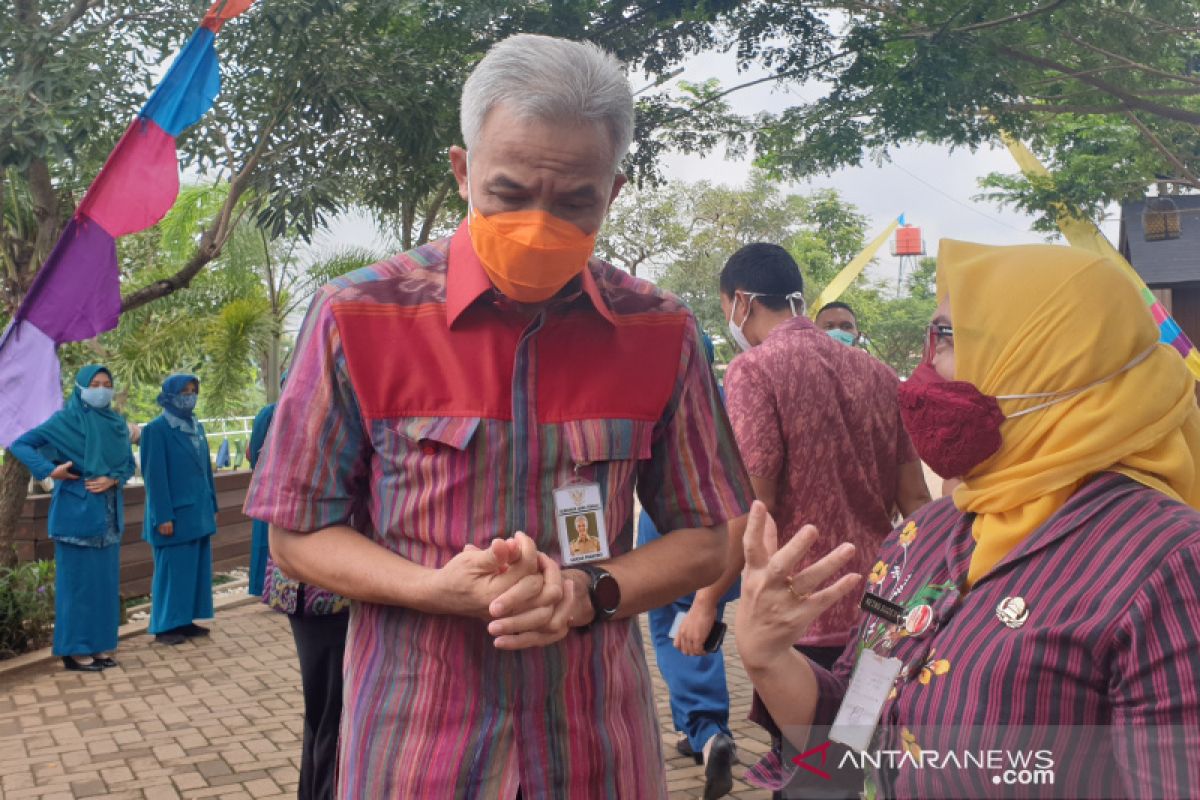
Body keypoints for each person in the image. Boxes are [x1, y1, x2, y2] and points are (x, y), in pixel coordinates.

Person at [245, 33, 752, 799]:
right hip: (413, 748)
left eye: (576, 200)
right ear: (462, 170)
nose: (539, 224)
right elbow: (295, 533)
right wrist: (430, 589)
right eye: (510, 193)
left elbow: (708, 539)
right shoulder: (357, 316)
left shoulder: (661, 333)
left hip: (594, 749)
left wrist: (591, 594)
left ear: (613, 192)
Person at [736, 240, 1200, 799]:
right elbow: (854, 733)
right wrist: (768, 657)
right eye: (934, 335)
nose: (926, 366)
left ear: (1051, 358)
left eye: (950, 338)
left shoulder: (1166, 566)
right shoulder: (923, 538)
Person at [711, 243, 929, 795]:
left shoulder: (753, 371)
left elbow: (752, 514)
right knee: (861, 761)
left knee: (814, 771)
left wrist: (704, 603)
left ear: (741, 302)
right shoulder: (878, 372)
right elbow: (918, 506)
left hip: (802, 617)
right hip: (881, 606)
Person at [638, 330, 739, 800]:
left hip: (673, 535)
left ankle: (706, 730)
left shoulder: (661, 395)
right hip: (724, 539)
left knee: (676, 632)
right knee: (703, 623)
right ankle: (693, 729)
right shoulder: (726, 398)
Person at [9, 364, 136, 672]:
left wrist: (113, 479)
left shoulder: (116, 423)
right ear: (81, 387)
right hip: (75, 515)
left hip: (108, 516)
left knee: (104, 586)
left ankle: (100, 647)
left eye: (107, 383)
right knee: (77, 587)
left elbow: (128, 465)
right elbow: (20, 443)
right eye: (95, 383)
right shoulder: (65, 420)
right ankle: (75, 651)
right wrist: (50, 470)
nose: (102, 389)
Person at [140, 373, 218, 646]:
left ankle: (185, 620)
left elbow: (205, 470)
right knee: (172, 570)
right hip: (174, 514)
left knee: (193, 570)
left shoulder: (196, 426)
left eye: (193, 390)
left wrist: (212, 503)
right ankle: (165, 625)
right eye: (183, 391)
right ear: (169, 395)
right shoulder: (156, 430)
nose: (189, 396)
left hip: (198, 511)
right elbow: (154, 477)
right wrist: (163, 516)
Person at [246, 377, 283, 597]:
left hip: (290, 490)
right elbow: (256, 453)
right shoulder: (269, 414)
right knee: (265, 541)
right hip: (268, 488)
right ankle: (262, 588)